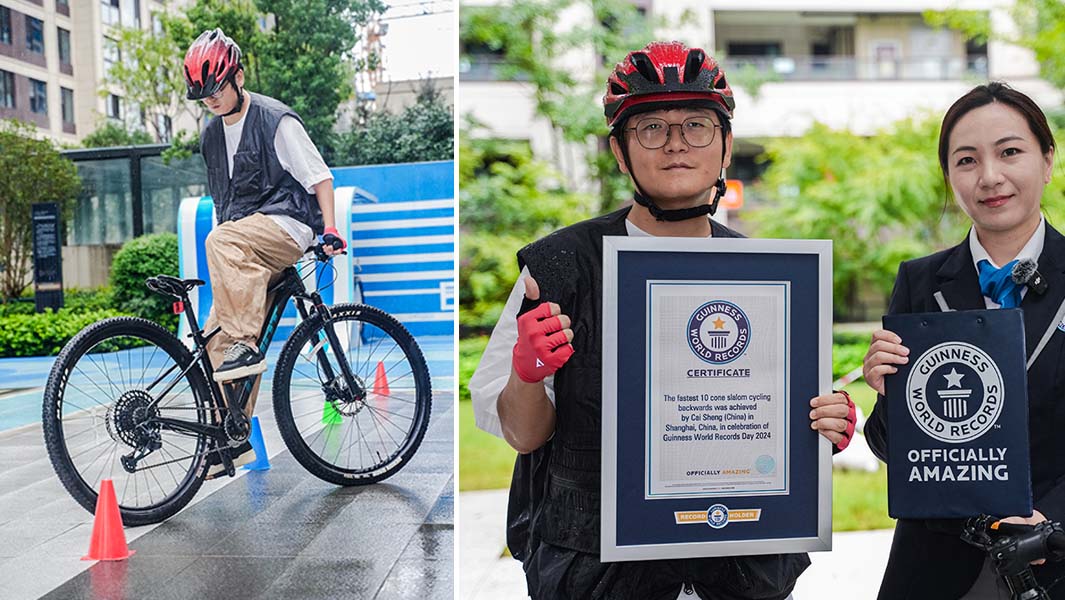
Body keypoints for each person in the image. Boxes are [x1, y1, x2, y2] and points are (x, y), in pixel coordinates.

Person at [469, 41, 856, 600]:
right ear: (621, 152)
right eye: (651, 127)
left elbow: (778, 413)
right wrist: (526, 374)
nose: (676, 143)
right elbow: (524, 434)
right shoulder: (558, 270)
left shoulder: (770, 277)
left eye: (697, 125)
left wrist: (818, 427)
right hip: (596, 572)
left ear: (725, 148)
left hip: (738, 567)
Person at [863, 82, 1065, 599]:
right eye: (967, 160)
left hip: (1054, 560)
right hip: (935, 566)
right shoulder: (920, 281)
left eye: (1010, 152)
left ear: (1046, 160)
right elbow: (892, 448)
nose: (990, 177)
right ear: (950, 176)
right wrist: (889, 396)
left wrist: (1051, 517)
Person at [183, 28, 346, 477]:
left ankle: (245, 344)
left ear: (237, 76)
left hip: (288, 226)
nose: (210, 100)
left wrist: (328, 228)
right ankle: (232, 438)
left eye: (215, 89)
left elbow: (320, 178)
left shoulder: (277, 120)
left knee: (222, 245)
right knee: (216, 336)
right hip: (245, 240)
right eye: (202, 95)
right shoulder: (211, 136)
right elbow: (225, 204)